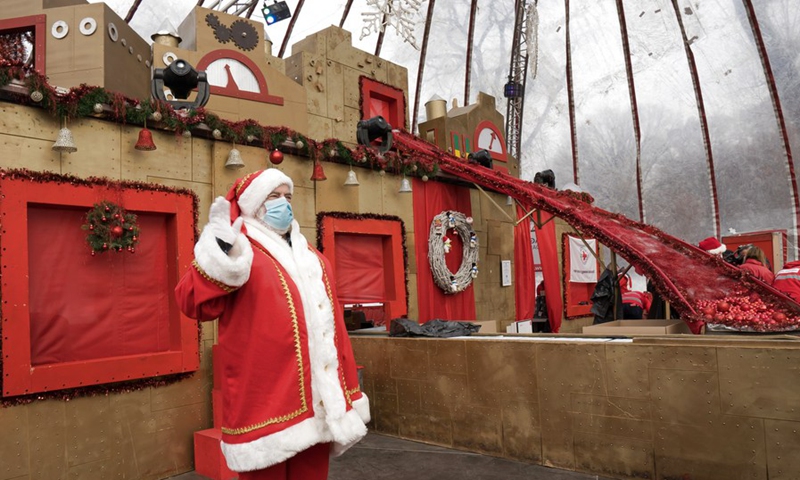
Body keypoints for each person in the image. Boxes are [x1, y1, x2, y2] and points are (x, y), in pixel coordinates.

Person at [175, 169, 370, 480]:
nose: (284, 204)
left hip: (319, 402)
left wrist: (347, 390)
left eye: (288, 197)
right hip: (266, 400)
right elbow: (191, 302)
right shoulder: (239, 249)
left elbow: (334, 331)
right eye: (274, 196)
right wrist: (220, 252)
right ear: (253, 204)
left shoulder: (313, 257)